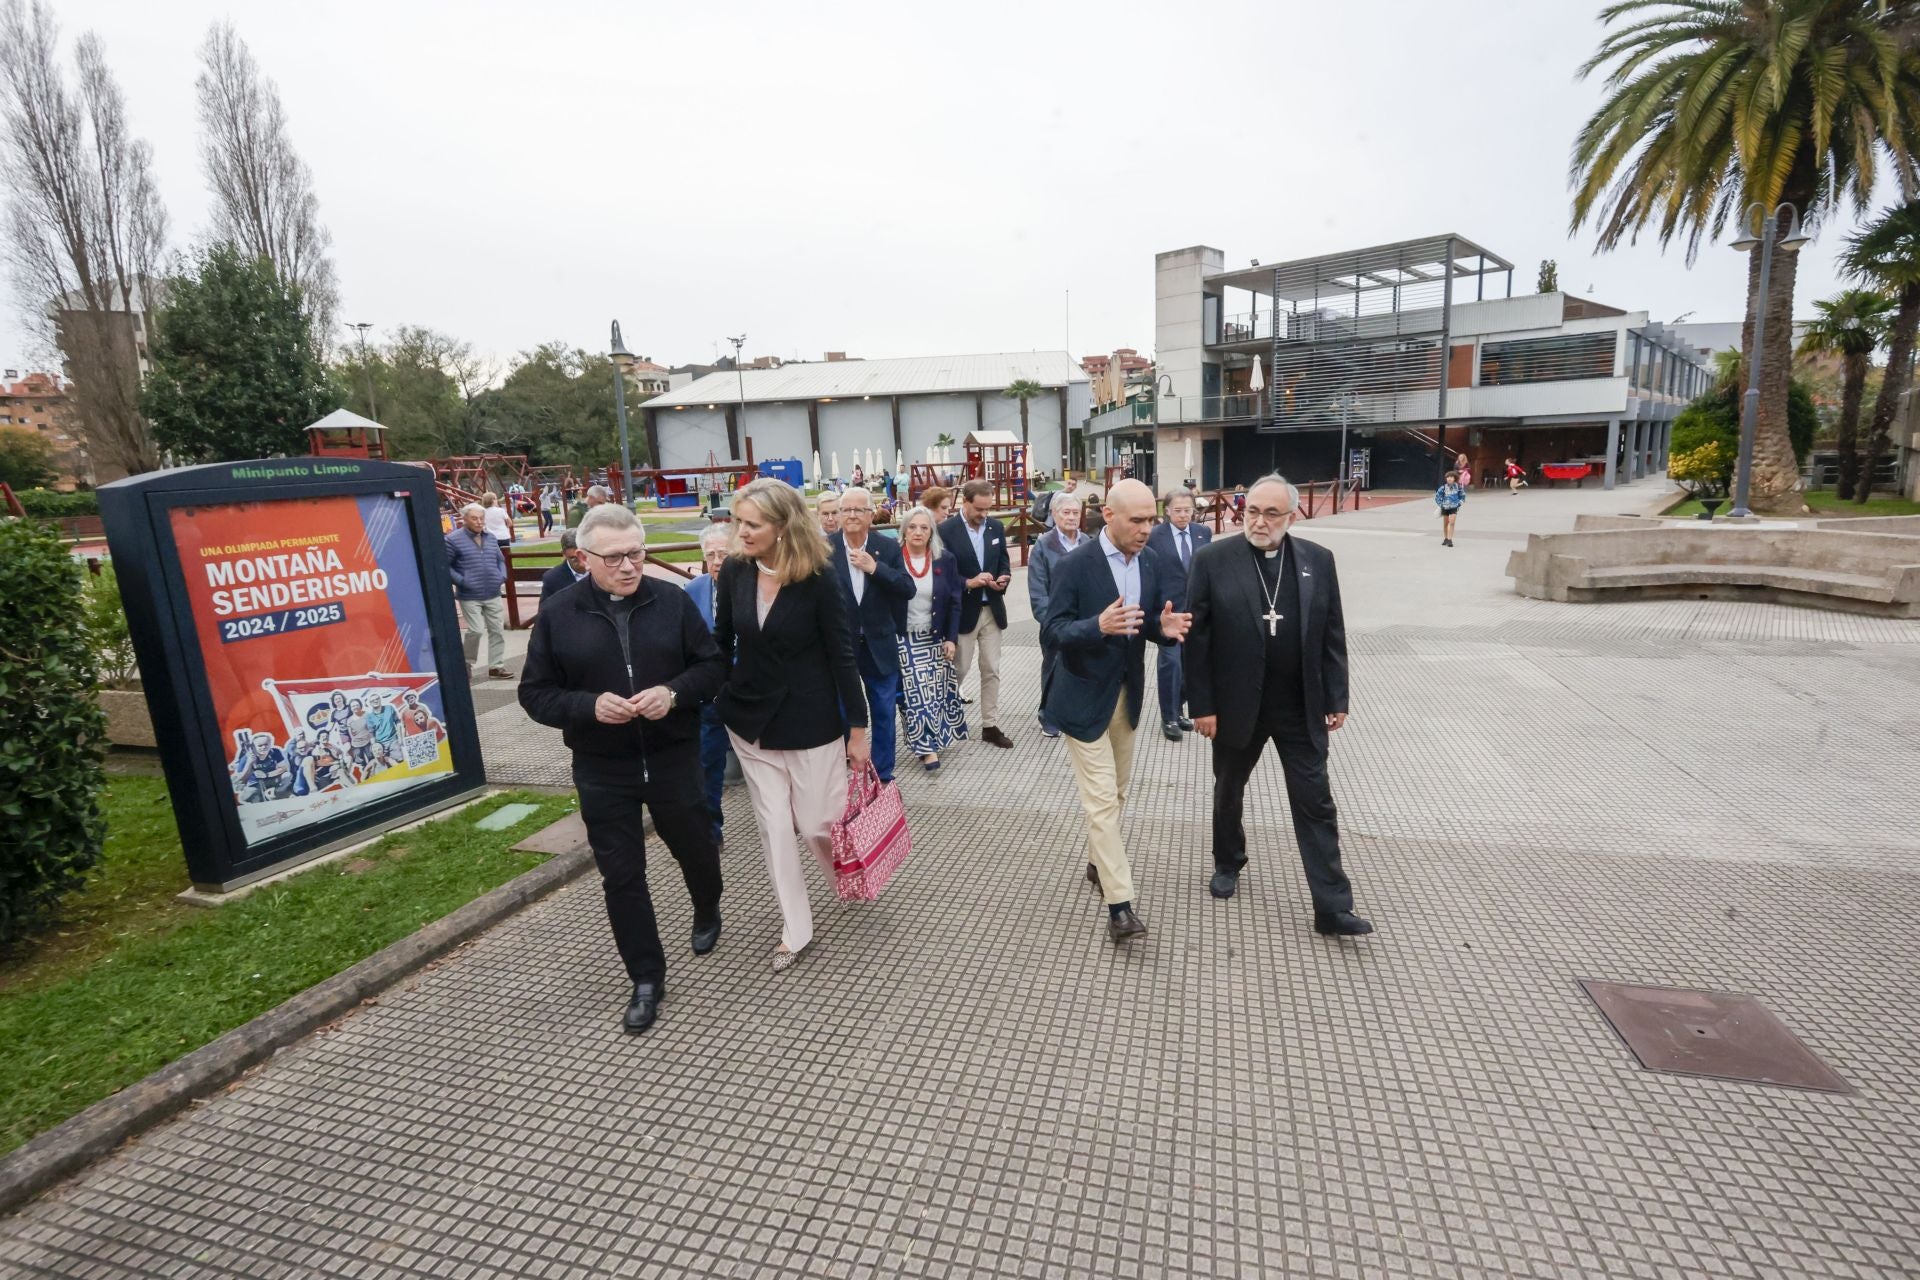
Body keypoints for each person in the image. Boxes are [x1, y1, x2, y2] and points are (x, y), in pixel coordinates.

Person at [518, 503, 729, 1033]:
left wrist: (674, 693)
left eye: (636, 553)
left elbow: (711, 668)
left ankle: (707, 907)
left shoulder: (673, 601)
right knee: (621, 876)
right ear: (584, 558)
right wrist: (587, 707)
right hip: (601, 766)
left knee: (697, 849)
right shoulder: (559, 613)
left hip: (672, 757)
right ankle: (646, 977)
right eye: (614, 558)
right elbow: (535, 694)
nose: (630, 566)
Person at [1185, 473, 1371, 937]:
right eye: (1252, 510)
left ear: (1291, 515)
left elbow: (1333, 633)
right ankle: (1228, 860)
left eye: (1271, 513)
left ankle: (1332, 906)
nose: (1259, 521)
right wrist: (1202, 705)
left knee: (1316, 802)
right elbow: (1197, 640)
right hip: (1234, 705)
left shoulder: (1316, 560)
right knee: (1228, 790)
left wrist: (1336, 695)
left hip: (1299, 705)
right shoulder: (1212, 560)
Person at [714, 478, 870, 973]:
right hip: (749, 720)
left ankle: (848, 875)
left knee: (814, 823)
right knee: (776, 827)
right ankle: (795, 929)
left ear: (783, 527)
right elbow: (720, 642)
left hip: (811, 722)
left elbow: (843, 654)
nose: (741, 532)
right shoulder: (735, 571)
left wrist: (859, 729)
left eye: (752, 524)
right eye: (739, 521)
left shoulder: (821, 576)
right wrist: (715, 693)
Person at [1040, 479, 1191, 943]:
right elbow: (1052, 631)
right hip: (1082, 697)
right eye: (1138, 520)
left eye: (1152, 520)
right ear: (1108, 515)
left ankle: (1096, 860)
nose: (1148, 529)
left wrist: (1162, 631)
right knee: (1102, 800)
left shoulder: (1150, 560)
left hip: (1127, 695)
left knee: (1119, 793)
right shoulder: (1074, 564)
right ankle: (1120, 905)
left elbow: (1141, 624)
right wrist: (1095, 625)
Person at [828, 487, 914, 784]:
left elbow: (907, 588)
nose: (851, 515)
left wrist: (874, 568)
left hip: (879, 645)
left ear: (870, 514)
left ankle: (883, 777)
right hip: (840, 649)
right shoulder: (823, 549)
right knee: (841, 714)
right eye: (845, 510)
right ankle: (845, 777)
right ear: (838, 515)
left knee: (883, 714)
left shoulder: (887, 548)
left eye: (858, 510)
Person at [939, 478, 1014, 749]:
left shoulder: (995, 527)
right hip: (963, 611)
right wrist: (968, 582)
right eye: (979, 509)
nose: (984, 515)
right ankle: (944, 718)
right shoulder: (945, 530)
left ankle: (990, 725)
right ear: (965, 502)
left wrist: (1004, 577)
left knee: (991, 669)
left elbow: (1003, 559)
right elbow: (941, 574)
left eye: (988, 509)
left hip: (992, 609)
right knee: (958, 668)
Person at [892, 505, 966, 770]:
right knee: (915, 695)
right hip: (904, 638)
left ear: (932, 531)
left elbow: (955, 601)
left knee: (934, 693)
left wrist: (951, 638)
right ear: (903, 530)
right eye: (912, 527)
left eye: (924, 527)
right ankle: (926, 749)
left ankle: (931, 740)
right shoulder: (893, 557)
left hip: (934, 637)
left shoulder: (944, 559)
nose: (918, 532)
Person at [683, 524, 738, 846]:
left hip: (751, 692)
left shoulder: (754, 586)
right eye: (711, 555)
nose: (717, 561)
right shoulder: (694, 590)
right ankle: (710, 830)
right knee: (708, 763)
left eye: (724, 554)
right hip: (711, 695)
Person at [1145, 489, 1212, 741]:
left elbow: (1209, 567)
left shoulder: (1203, 533)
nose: (1183, 515)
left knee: (1191, 664)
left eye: (1188, 510)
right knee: (1170, 663)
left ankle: (1180, 707)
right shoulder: (1154, 536)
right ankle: (1169, 717)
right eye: (1178, 510)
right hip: (1168, 611)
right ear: (1167, 511)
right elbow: (1148, 570)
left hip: (1196, 610)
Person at [1027, 492, 1088, 739]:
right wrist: (1049, 621)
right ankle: (1048, 716)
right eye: (1066, 512)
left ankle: (1076, 713)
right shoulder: (1043, 545)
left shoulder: (1088, 542)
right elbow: (1037, 589)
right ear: (1054, 514)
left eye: (1075, 513)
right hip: (1054, 622)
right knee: (1054, 668)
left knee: (1082, 668)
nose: (1072, 517)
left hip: (1084, 621)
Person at [445, 503, 510, 678]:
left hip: (492, 591)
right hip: (469, 595)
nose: (479, 522)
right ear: (464, 519)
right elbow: (446, 566)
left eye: (481, 518)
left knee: (497, 630)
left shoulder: (490, 537)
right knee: (476, 630)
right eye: (474, 518)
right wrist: (463, 581)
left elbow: (500, 560)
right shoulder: (453, 539)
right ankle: (467, 662)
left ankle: (496, 666)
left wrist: (501, 576)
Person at [540, 529, 591, 601]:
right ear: (564, 554)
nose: (581, 563)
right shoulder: (552, 579)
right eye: (574, 558)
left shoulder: (602, 570)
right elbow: (545, 611)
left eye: (583, 556)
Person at [1435, 470, 1467, 547]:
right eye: (1448, 477)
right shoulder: (1443, 488)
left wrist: (1458, 504)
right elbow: (1437, 497)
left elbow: (1463, 497)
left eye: (1451, 477)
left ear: (1454, 478)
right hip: (1445, 507)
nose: (1449, 479)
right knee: (1445, 523)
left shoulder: (1458, 487)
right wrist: (1441, 504)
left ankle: (1450, 540)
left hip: (1454, 507)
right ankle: (1445, 538)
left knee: (1452, 523)